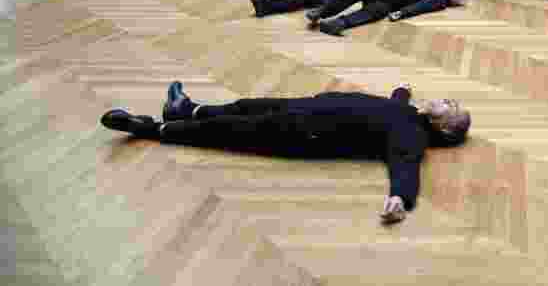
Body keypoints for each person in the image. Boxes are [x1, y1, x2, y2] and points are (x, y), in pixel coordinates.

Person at [100, 80, 471, 223]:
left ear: (443, 128)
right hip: (308, 108)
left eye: (450, 106)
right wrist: (402, 91)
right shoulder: (409, 112)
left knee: (229, 131)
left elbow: (405, 166)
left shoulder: (412, 136)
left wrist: (400, 200)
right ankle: (187, 108)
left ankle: (149, 128)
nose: (446, 99)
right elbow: (393, 103)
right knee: (246, 105)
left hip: (306, 132)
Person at [248, 0, 466, 36]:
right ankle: (337, 23)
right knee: (374, 11)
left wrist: (402, 13)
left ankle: (323, 13)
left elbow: (423, 7)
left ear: (454, 0)